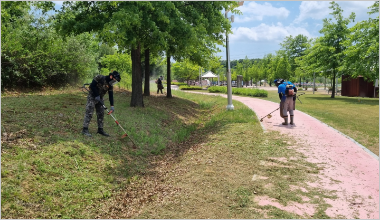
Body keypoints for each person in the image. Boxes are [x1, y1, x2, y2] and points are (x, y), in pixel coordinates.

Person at [82, 71, 121, 137]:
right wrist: (96, 95)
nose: (115, 81)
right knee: (89, 112)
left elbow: (111, 95)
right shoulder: (99, 77)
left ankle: (100, 129)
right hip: (92, 96)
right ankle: (85, 129)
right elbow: (92, 85)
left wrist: (112, 106)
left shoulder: (110, 84)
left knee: (101, 113)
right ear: (111, 76)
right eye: (115, 79)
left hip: (100, 98)